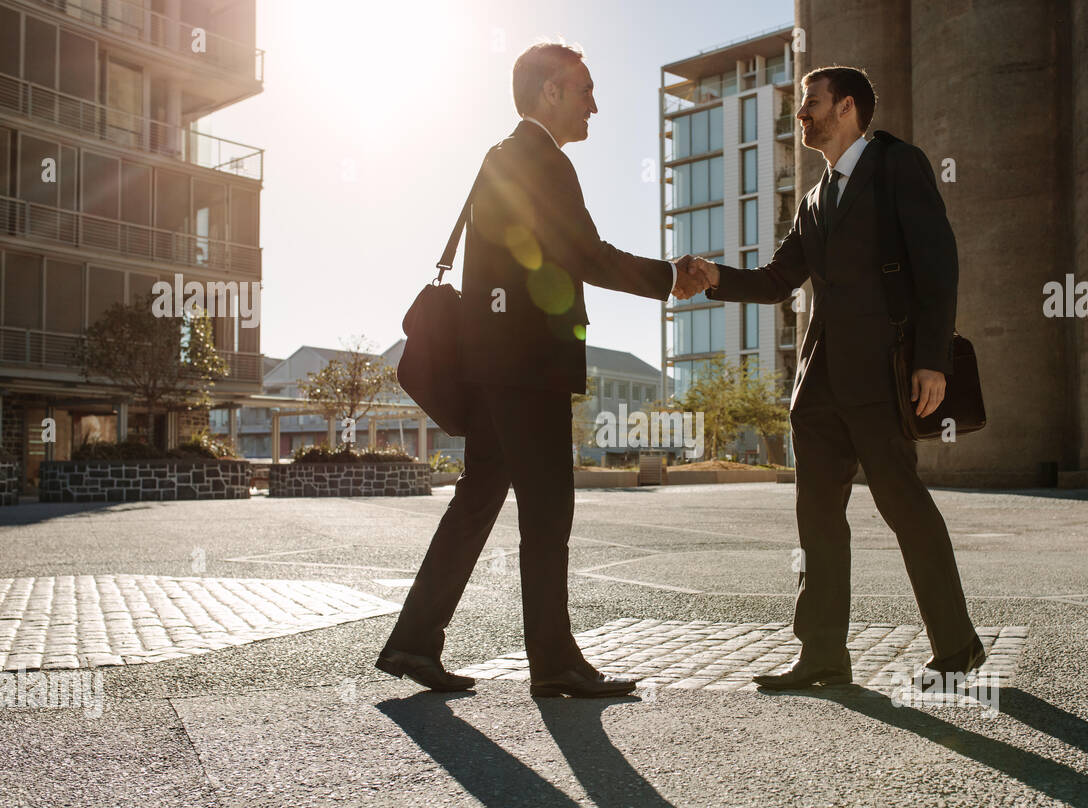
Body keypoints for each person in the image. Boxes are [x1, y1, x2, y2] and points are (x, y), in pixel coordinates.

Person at [377, 41, 707, 698]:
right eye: (584, 89)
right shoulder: (543, 161)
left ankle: (414, 642)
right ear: (550, 92)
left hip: (495, 366)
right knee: (548, 512)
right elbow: (582, 253)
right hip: (528, 368)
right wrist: (668, 277)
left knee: (477, 500)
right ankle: (553, 664)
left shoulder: (499, 156)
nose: (594, 104)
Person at [680, 65, 985, 689]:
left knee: (905, 506)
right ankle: (821, 656)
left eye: (811, 103)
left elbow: (938, 261)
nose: (802, 114)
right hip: (819, 387)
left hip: (882, 373)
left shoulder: (898, 164)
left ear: (847, 108)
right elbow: (775, 280)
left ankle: (956, 646)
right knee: (817, 518)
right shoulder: (816, 196)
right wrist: (716, 277)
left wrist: (932, 359)